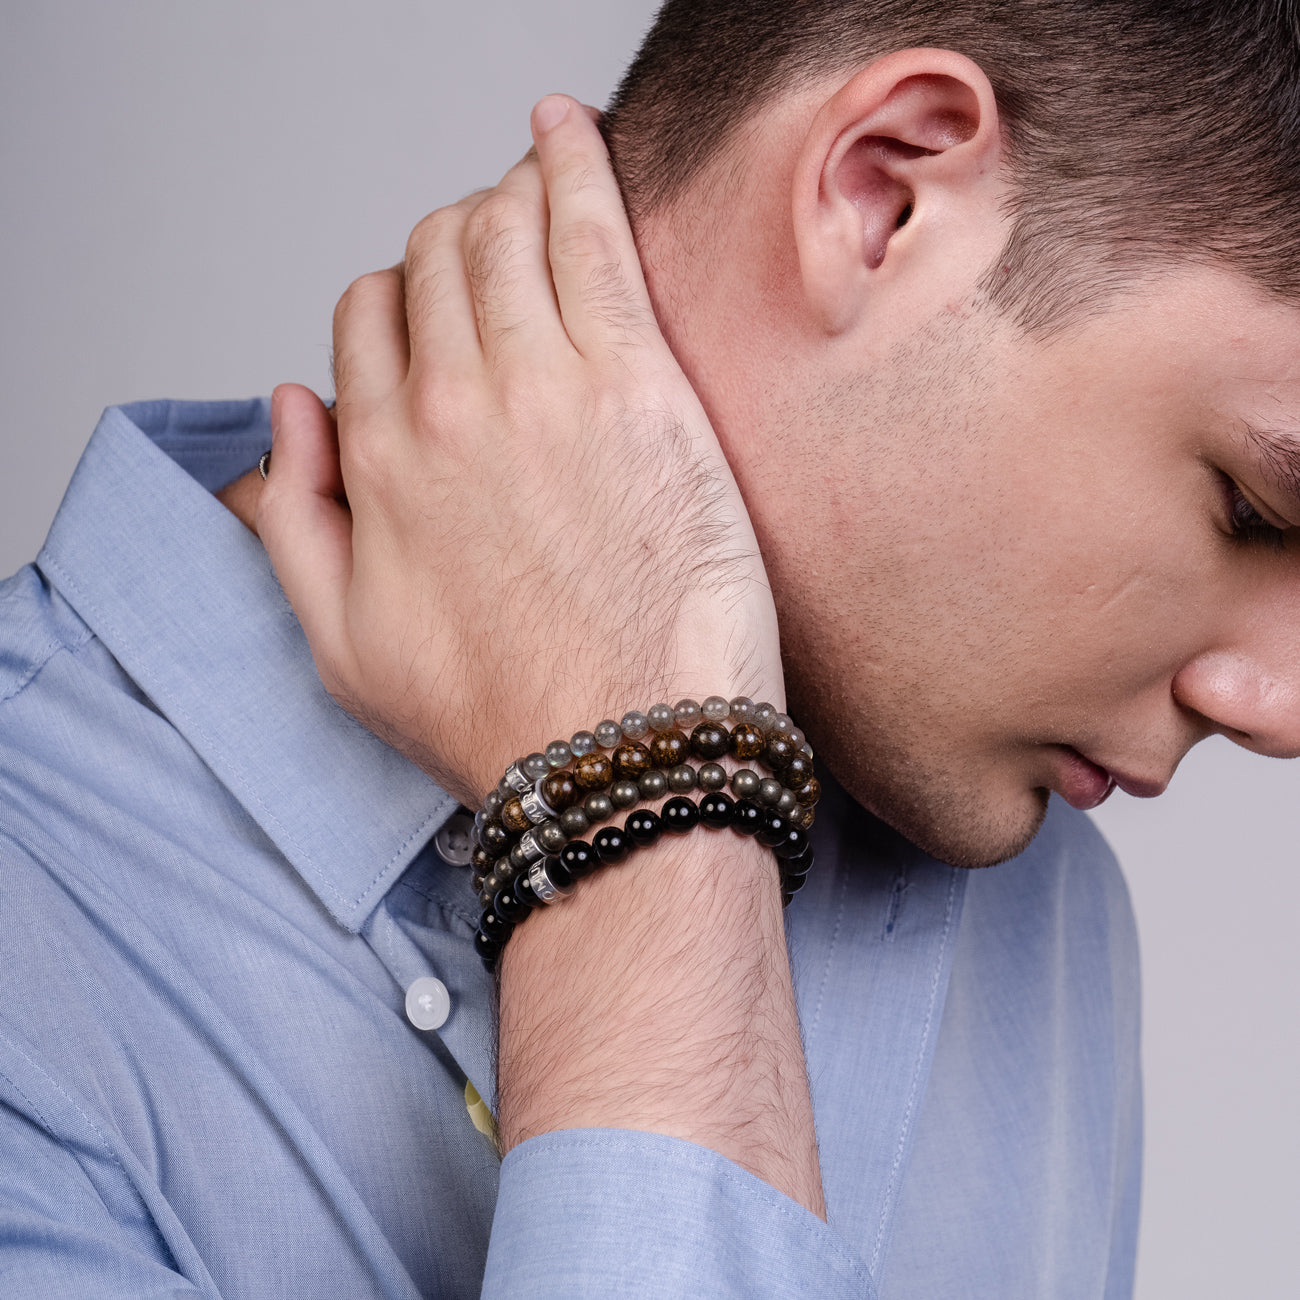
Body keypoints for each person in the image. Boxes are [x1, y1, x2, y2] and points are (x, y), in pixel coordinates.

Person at [2, 1, 1297, 1296]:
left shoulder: (1041, 927)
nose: (1283, 712)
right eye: (1258, 509)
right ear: (884, 196)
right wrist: (648, 804)